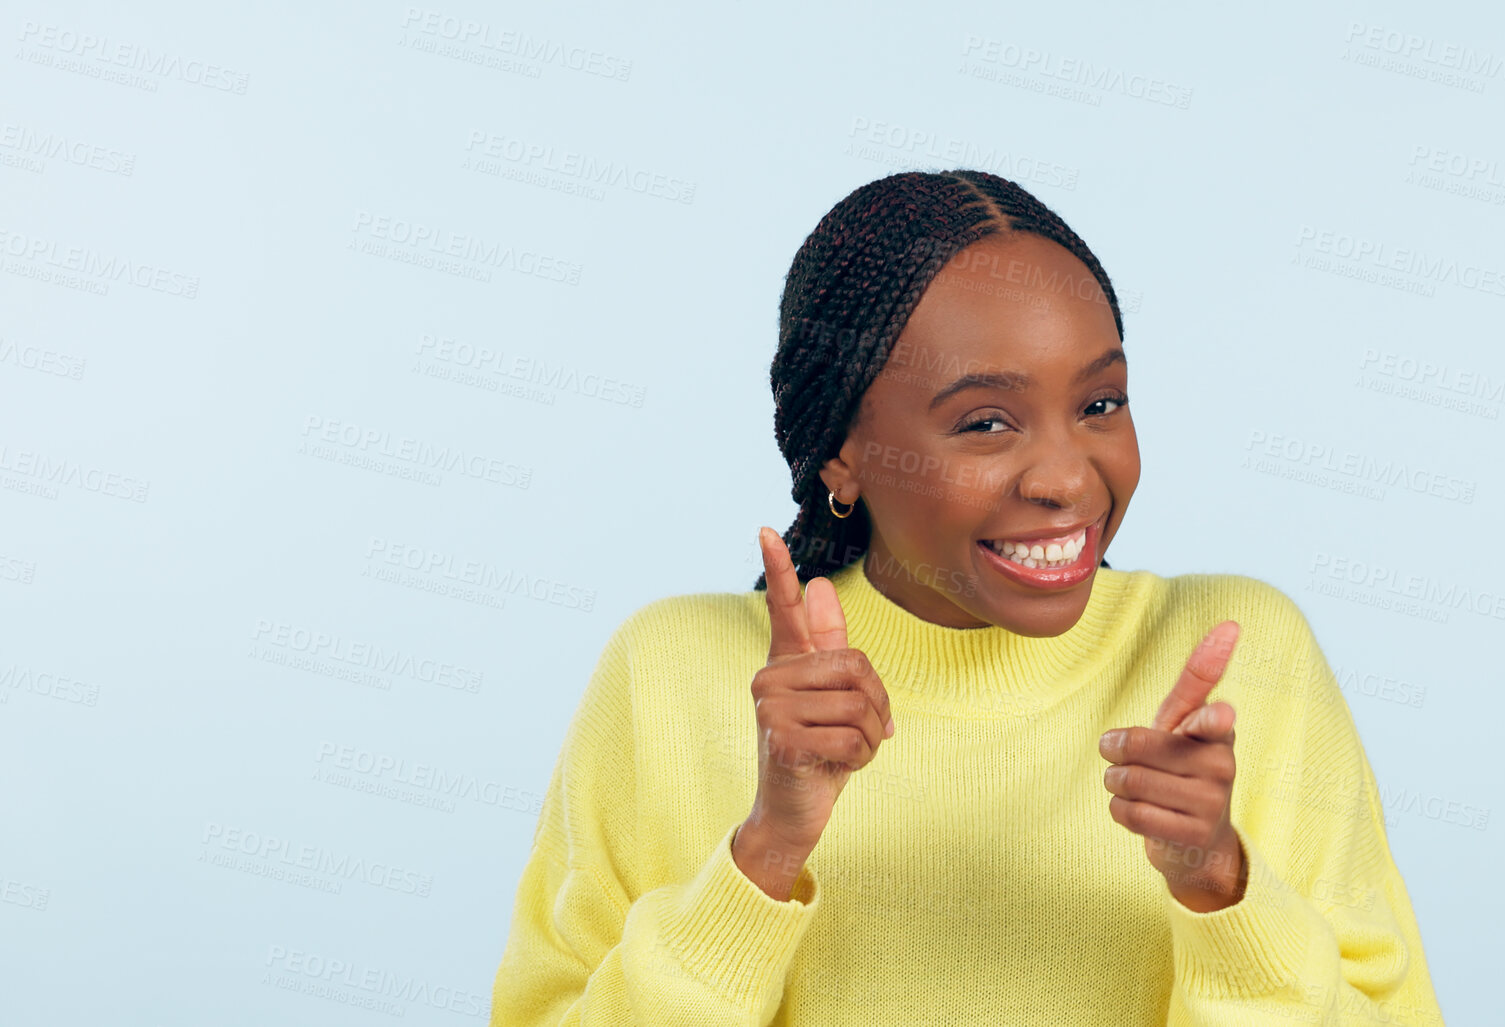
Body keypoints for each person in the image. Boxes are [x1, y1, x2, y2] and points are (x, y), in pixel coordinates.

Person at [488, 169, 1445, 1026]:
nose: (1066, 477)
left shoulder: (1238, 654)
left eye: (1099, 404)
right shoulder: (671, 671)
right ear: (840, 452)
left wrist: (1220, 889)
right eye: (985, 421)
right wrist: (765, 853)